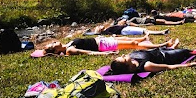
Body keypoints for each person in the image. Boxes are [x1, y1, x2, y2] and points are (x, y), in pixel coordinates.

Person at [109, 40, 196, 74]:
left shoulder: (131, 58)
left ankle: (172, 47)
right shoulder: (146, 66)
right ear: (127, 66)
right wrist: (190, 64)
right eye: (123, 58)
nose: (123, 54)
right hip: (166, 56)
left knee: (170, 49)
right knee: (184, 52)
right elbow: (168, 67)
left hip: (159, 50)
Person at [42, 35, 178, 56]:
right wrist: (106, 54)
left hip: (101, 40)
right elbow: (89, 53)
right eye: (53, 44)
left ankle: (145, 39)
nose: (55, 41)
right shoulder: (70, 50)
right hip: (103, 46)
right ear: (56, 49)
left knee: (125, 39)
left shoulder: (67, 44)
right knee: (133, 44)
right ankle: (164, 45)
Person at [93, 20, 170, 36]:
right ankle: (161, 32)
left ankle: (161, 32)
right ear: (100, 29)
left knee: (144, 30)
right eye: (99, 26)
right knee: (144, 31)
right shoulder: (106, 31)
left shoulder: (108, 28)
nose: (100, 25)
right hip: (125, 30)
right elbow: (111, 35)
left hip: (126, 28)